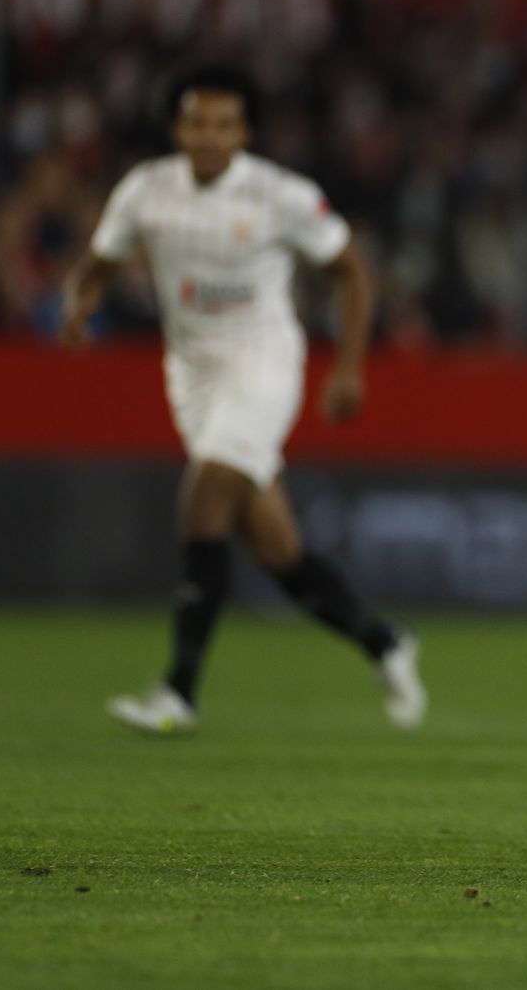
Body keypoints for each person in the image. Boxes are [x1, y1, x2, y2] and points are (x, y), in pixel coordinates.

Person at [59, 65, 426, 734]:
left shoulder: (279, 195)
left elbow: (350, 268)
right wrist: (80, 299)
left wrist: (348, 368)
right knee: (278, 552)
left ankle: (179, 691)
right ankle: (384, 641)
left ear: (245, 131)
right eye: (197, 122)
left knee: (207, 490)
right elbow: (102, 260)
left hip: (264, 362)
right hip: (192, 375)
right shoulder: (145, 191)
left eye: (224, 124)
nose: (209, 135)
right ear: (177, 127)